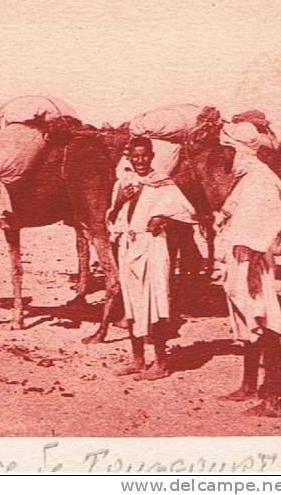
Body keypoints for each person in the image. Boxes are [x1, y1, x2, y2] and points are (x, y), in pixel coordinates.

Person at [107, 136, 196, 380]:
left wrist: (164, 219)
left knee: (156, 304)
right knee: (132, 305)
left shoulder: (163, 184)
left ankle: (161, 363)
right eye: (135, 156)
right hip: (128, 246)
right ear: (129, 158)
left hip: (153, 246)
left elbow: (186, 214)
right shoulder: (123, 184)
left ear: (152, 156)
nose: (141, 161)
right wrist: (120, 201)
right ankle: (137, 360)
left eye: (145, 155)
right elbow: (113, 218)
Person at [215, 122, 281, 418]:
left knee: (266, 325)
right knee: (247, 324)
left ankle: (274, 398)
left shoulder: (261, 180)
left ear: (238, 150)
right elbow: (232, 210)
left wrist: (252, 272)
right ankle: (249, 386)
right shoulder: (247, 178)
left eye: (227, 151)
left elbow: (266, 225)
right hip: (240, 261)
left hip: (254, 265)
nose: (224, 157)